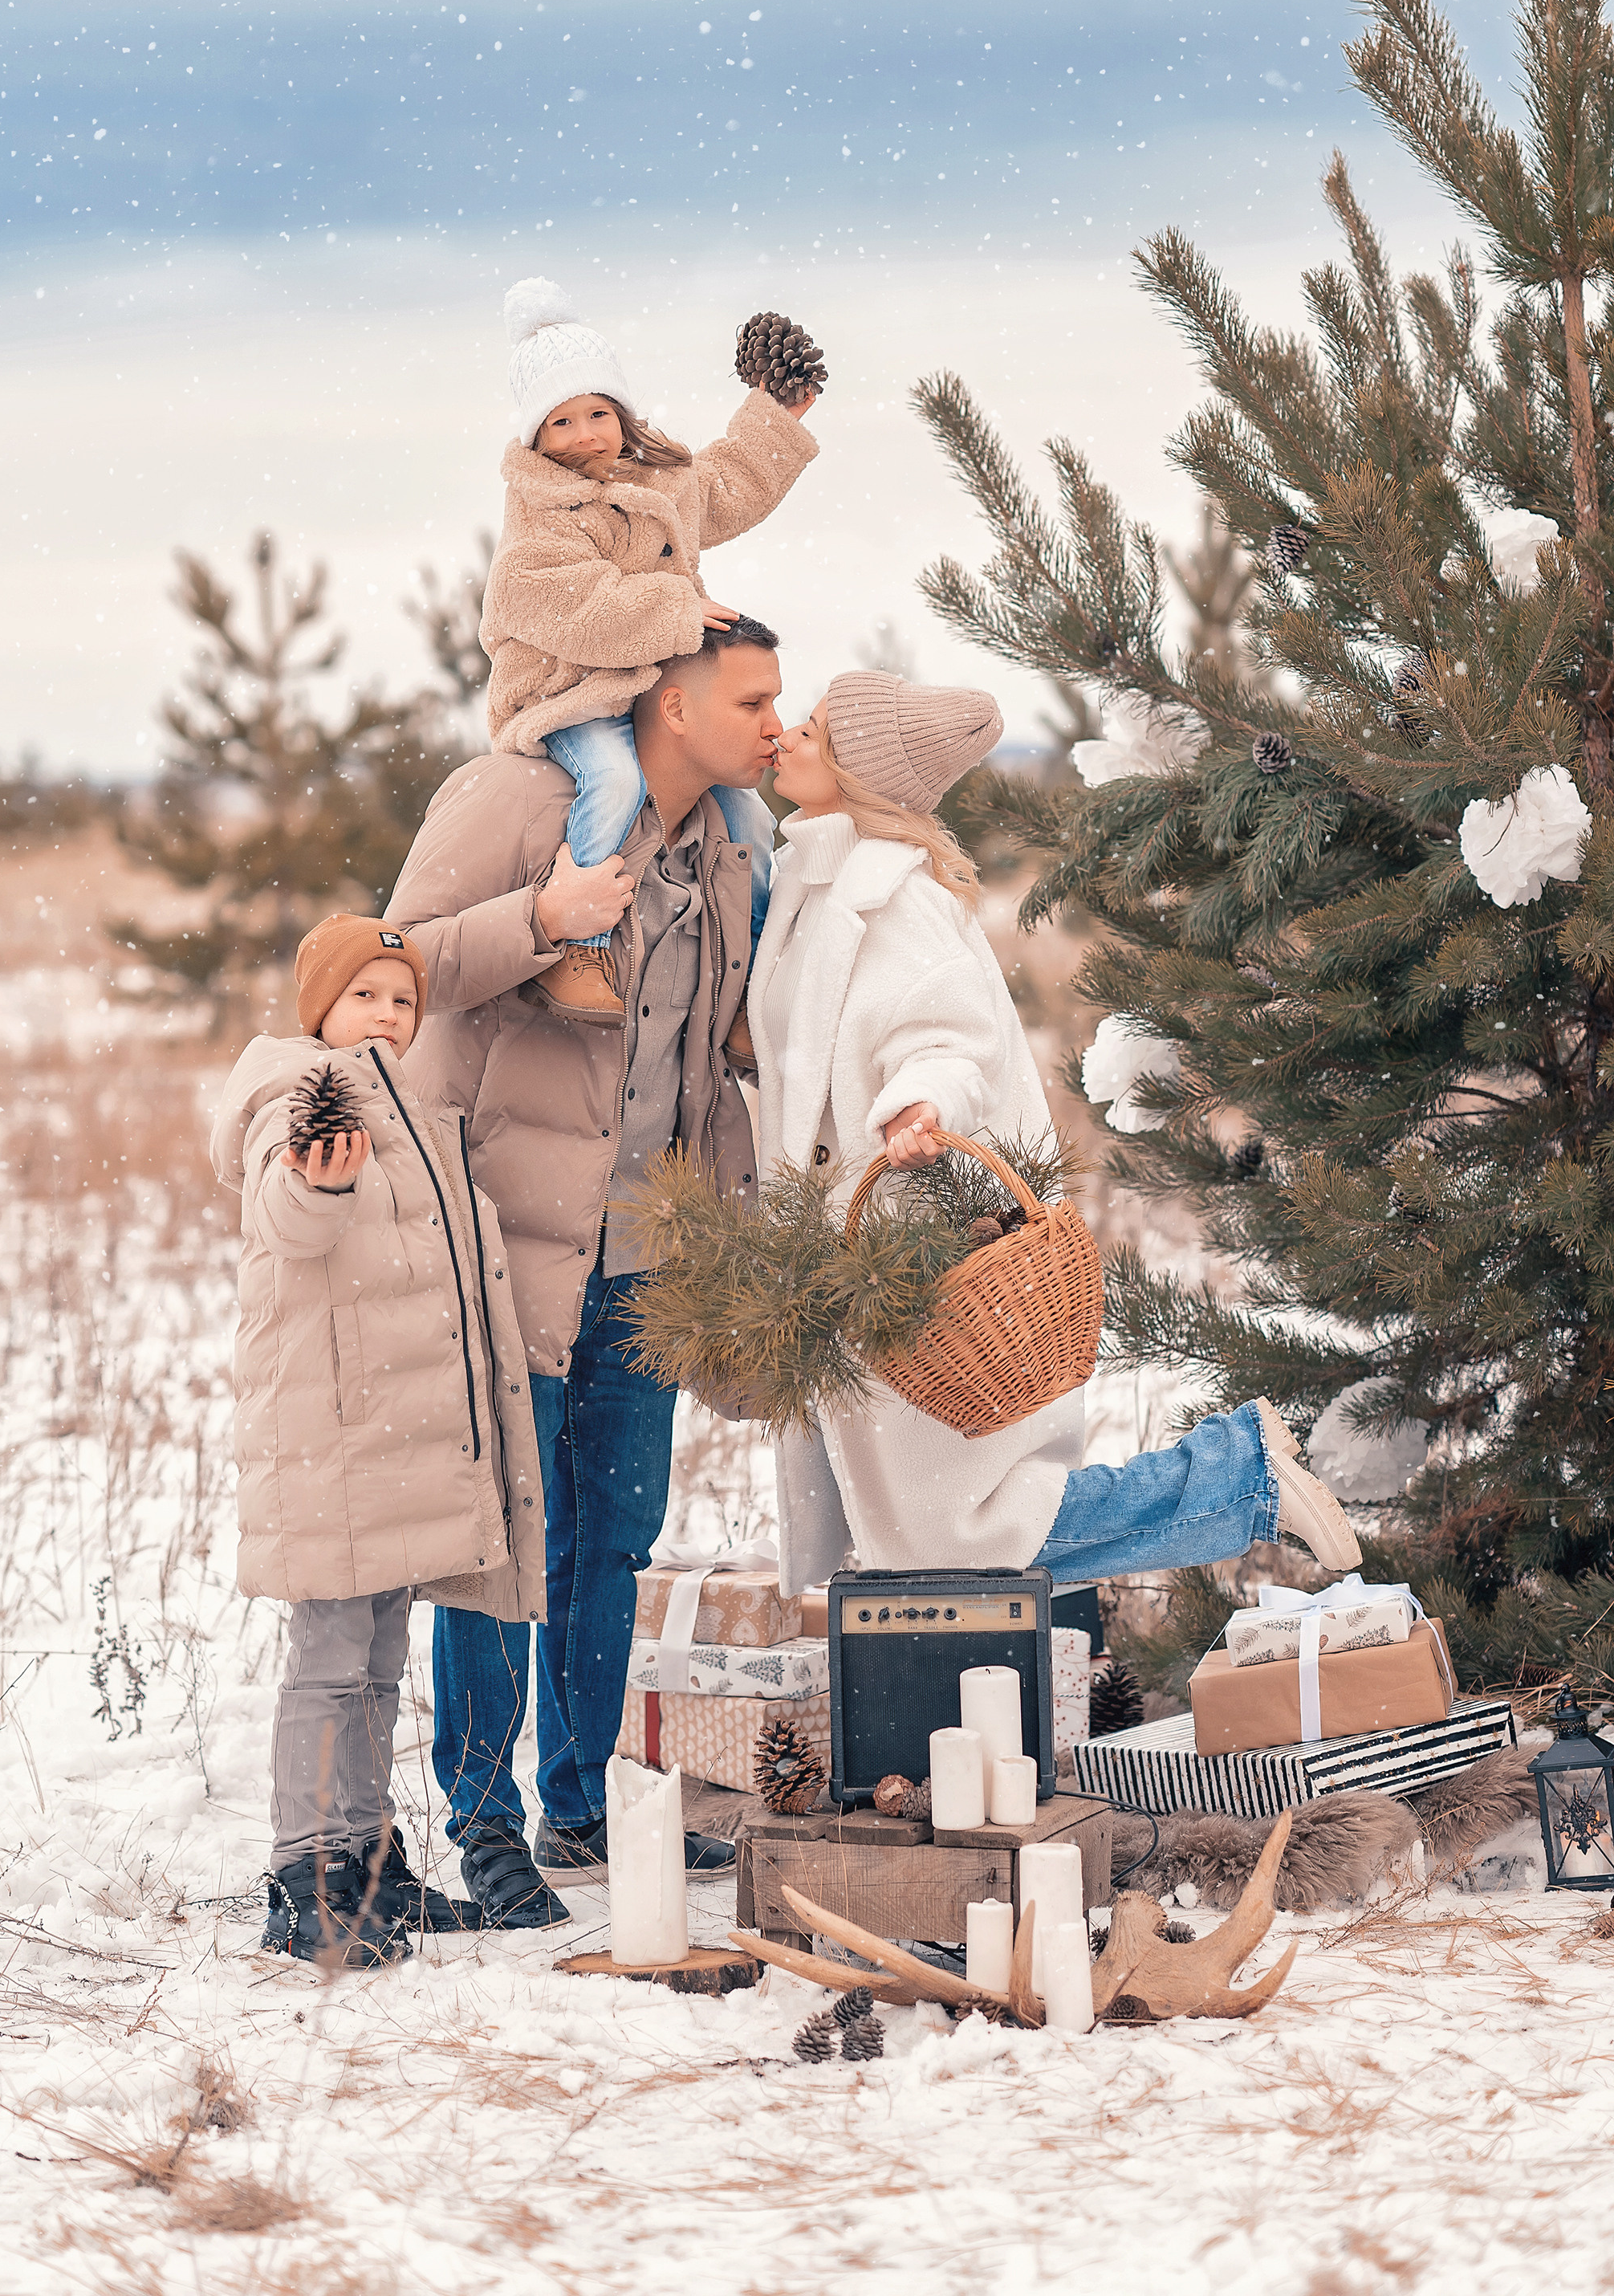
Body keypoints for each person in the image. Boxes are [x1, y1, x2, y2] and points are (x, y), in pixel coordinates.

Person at [757, 673, 1363, 1593]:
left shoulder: (891, 897)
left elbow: (946, 1034)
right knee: (940, 1541)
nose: (788, 736)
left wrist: (919, 1101)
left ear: (857, 772)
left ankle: (1238, 1474)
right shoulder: (815, 883)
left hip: (914, 1254)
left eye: (812, 728)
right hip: (860, 1258)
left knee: (968, 1532)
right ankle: (1236, 1477)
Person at [386, 617, 787, 1904]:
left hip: (650, 1254)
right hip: (507, 1241)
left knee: (613, 1536)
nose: (775, 724)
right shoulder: (514, 797)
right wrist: (540, 918)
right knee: (506, 1538)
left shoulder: (728, 845)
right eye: (753, 701)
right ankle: (485, 1825)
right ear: (674, 706)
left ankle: (578, 1808)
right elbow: (397, 967)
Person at [209, 914, 561, 1967]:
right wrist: (318, 1183)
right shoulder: (298, 1096)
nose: (388, 1014)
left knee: (375, 1663)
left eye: (403, 999)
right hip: (333, 1436)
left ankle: (366, 1864)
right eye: (364, 995)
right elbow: (287, 1212)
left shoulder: (411, 1110)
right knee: (328, 1663)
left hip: (389, 1440)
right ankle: (305, 1880)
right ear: (321, 1007)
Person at [482, 275, 818, 1032]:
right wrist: (676, 610)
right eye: (562, 421)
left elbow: (724, 487)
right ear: (536, 435)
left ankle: (751, 981)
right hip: (566, 694)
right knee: (613, 778)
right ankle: (582, 949)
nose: (585, 435)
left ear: (623, 414)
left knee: (747, 816)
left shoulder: (653, 483)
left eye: (599, 413)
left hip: (650, 689)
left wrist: (775, 418)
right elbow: (576, 605)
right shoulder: (539, 517)